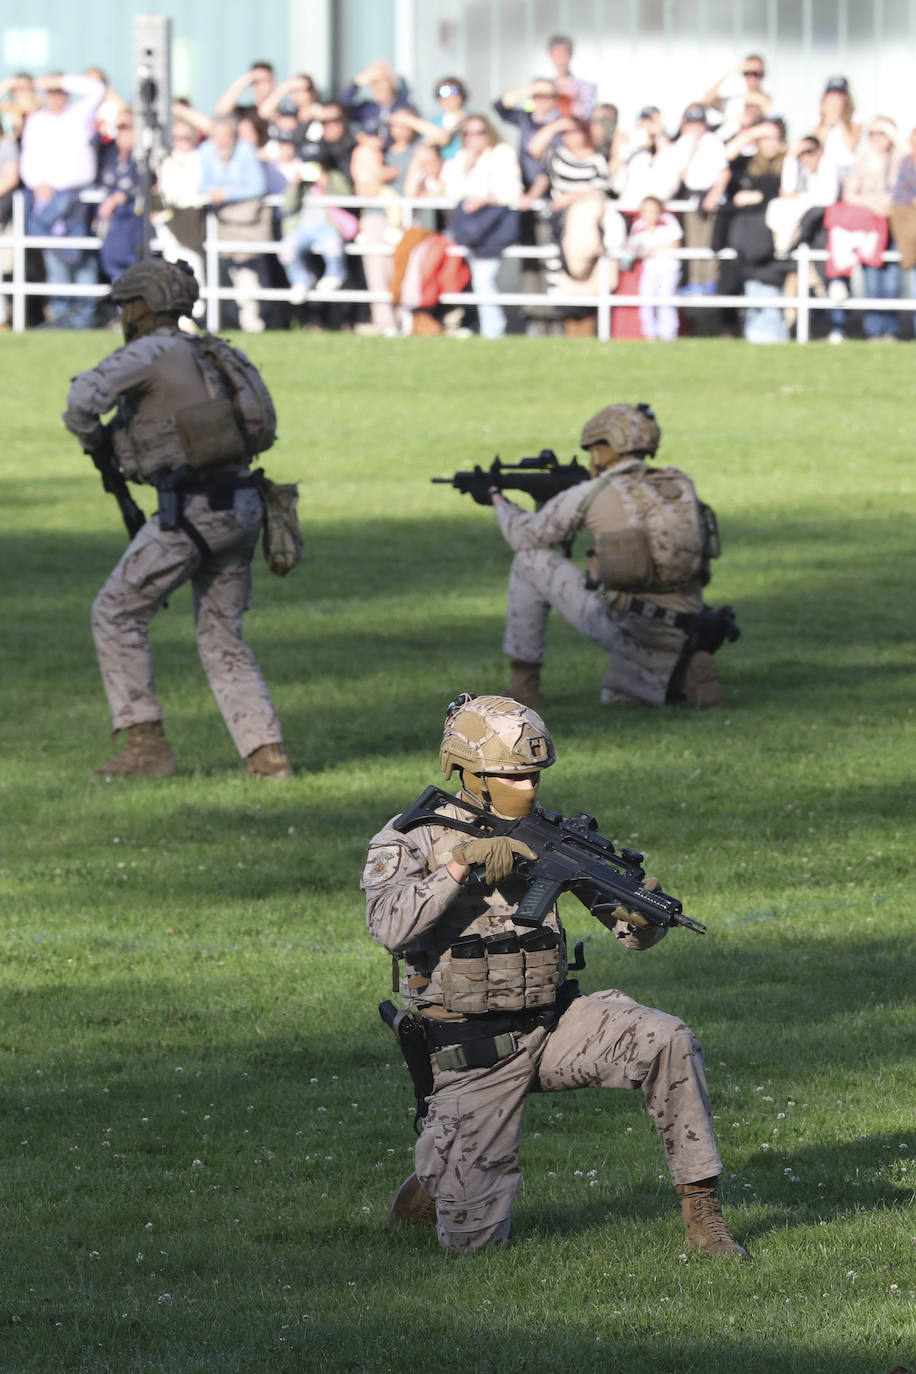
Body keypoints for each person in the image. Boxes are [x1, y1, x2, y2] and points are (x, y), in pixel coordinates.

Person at [366, 691, 747, 1260]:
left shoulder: (549, 835)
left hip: (558, 1022)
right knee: (473, 1248)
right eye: (512, 777)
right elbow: (387, 925)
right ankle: (434, 1177)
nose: (529, 788)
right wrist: (459, 865)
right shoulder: (410, 836)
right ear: (467, 772)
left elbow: (626, 930)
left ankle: (705, 1216)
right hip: (475, 1048)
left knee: (668, 1038)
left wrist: (643, 917)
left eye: (534, 776)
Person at [62, 259, 292, 780]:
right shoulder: (211, 351)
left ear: (143, 305)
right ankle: (267, 755)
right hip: (241, 505)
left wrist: (91, 438)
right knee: (222, 634)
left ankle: (146, 745)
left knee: (116, 611)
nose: (123, 314)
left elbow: (80, 399)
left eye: (126, 304)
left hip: (189, 512)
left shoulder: (150, 351)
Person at [481, 403, 732, 709]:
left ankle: (523, 687)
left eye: (594, 449)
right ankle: (686, 671)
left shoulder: (594, 491)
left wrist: (497, 500)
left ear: (607, 450)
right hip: (693, 622)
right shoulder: (678, 485)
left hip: (634, 624)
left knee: (529, 562)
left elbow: (525, 537)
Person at [19, 70, 105, 327]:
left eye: (59, 91)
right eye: (51, 91)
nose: (55, 96)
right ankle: (62, 317)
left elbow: (96, 89)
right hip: (48, 198)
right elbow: (28, 157)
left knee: (80, 256)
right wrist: (37, 183)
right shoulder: (37, 121)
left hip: (78, 197)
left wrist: (59, 79)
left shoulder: (79, 114)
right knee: (54, 256)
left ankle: (84, 319)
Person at [443, 114, 522, 338]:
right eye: (468, 133)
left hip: (494, 226)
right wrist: (466, 167)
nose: (474, 138)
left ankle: (492, 329)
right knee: (474, 280)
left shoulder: (503, 153)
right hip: (470, 228)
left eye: (479, 132)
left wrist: (486, 198)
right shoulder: (462, 158)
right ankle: (481, 326)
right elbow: (452, 191)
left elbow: (512, 191)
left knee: (483, 279)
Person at [627, 195, 683, 340]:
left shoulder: (668, 221)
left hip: (669, 268)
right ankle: (649, 333)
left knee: (666, 299)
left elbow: (676, 243)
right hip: (650, 268)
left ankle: (668, 334)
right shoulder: (638, 226)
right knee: (646, 299)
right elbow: (632, 246)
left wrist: (654, 249)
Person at [545, 35, 597, 119]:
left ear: (570, 56)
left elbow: (587, 116)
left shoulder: (586, 87)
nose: (560, 60)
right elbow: (537, 117)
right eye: (557, 55)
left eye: (563, 55)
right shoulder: (542, 88)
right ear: (551, 57)